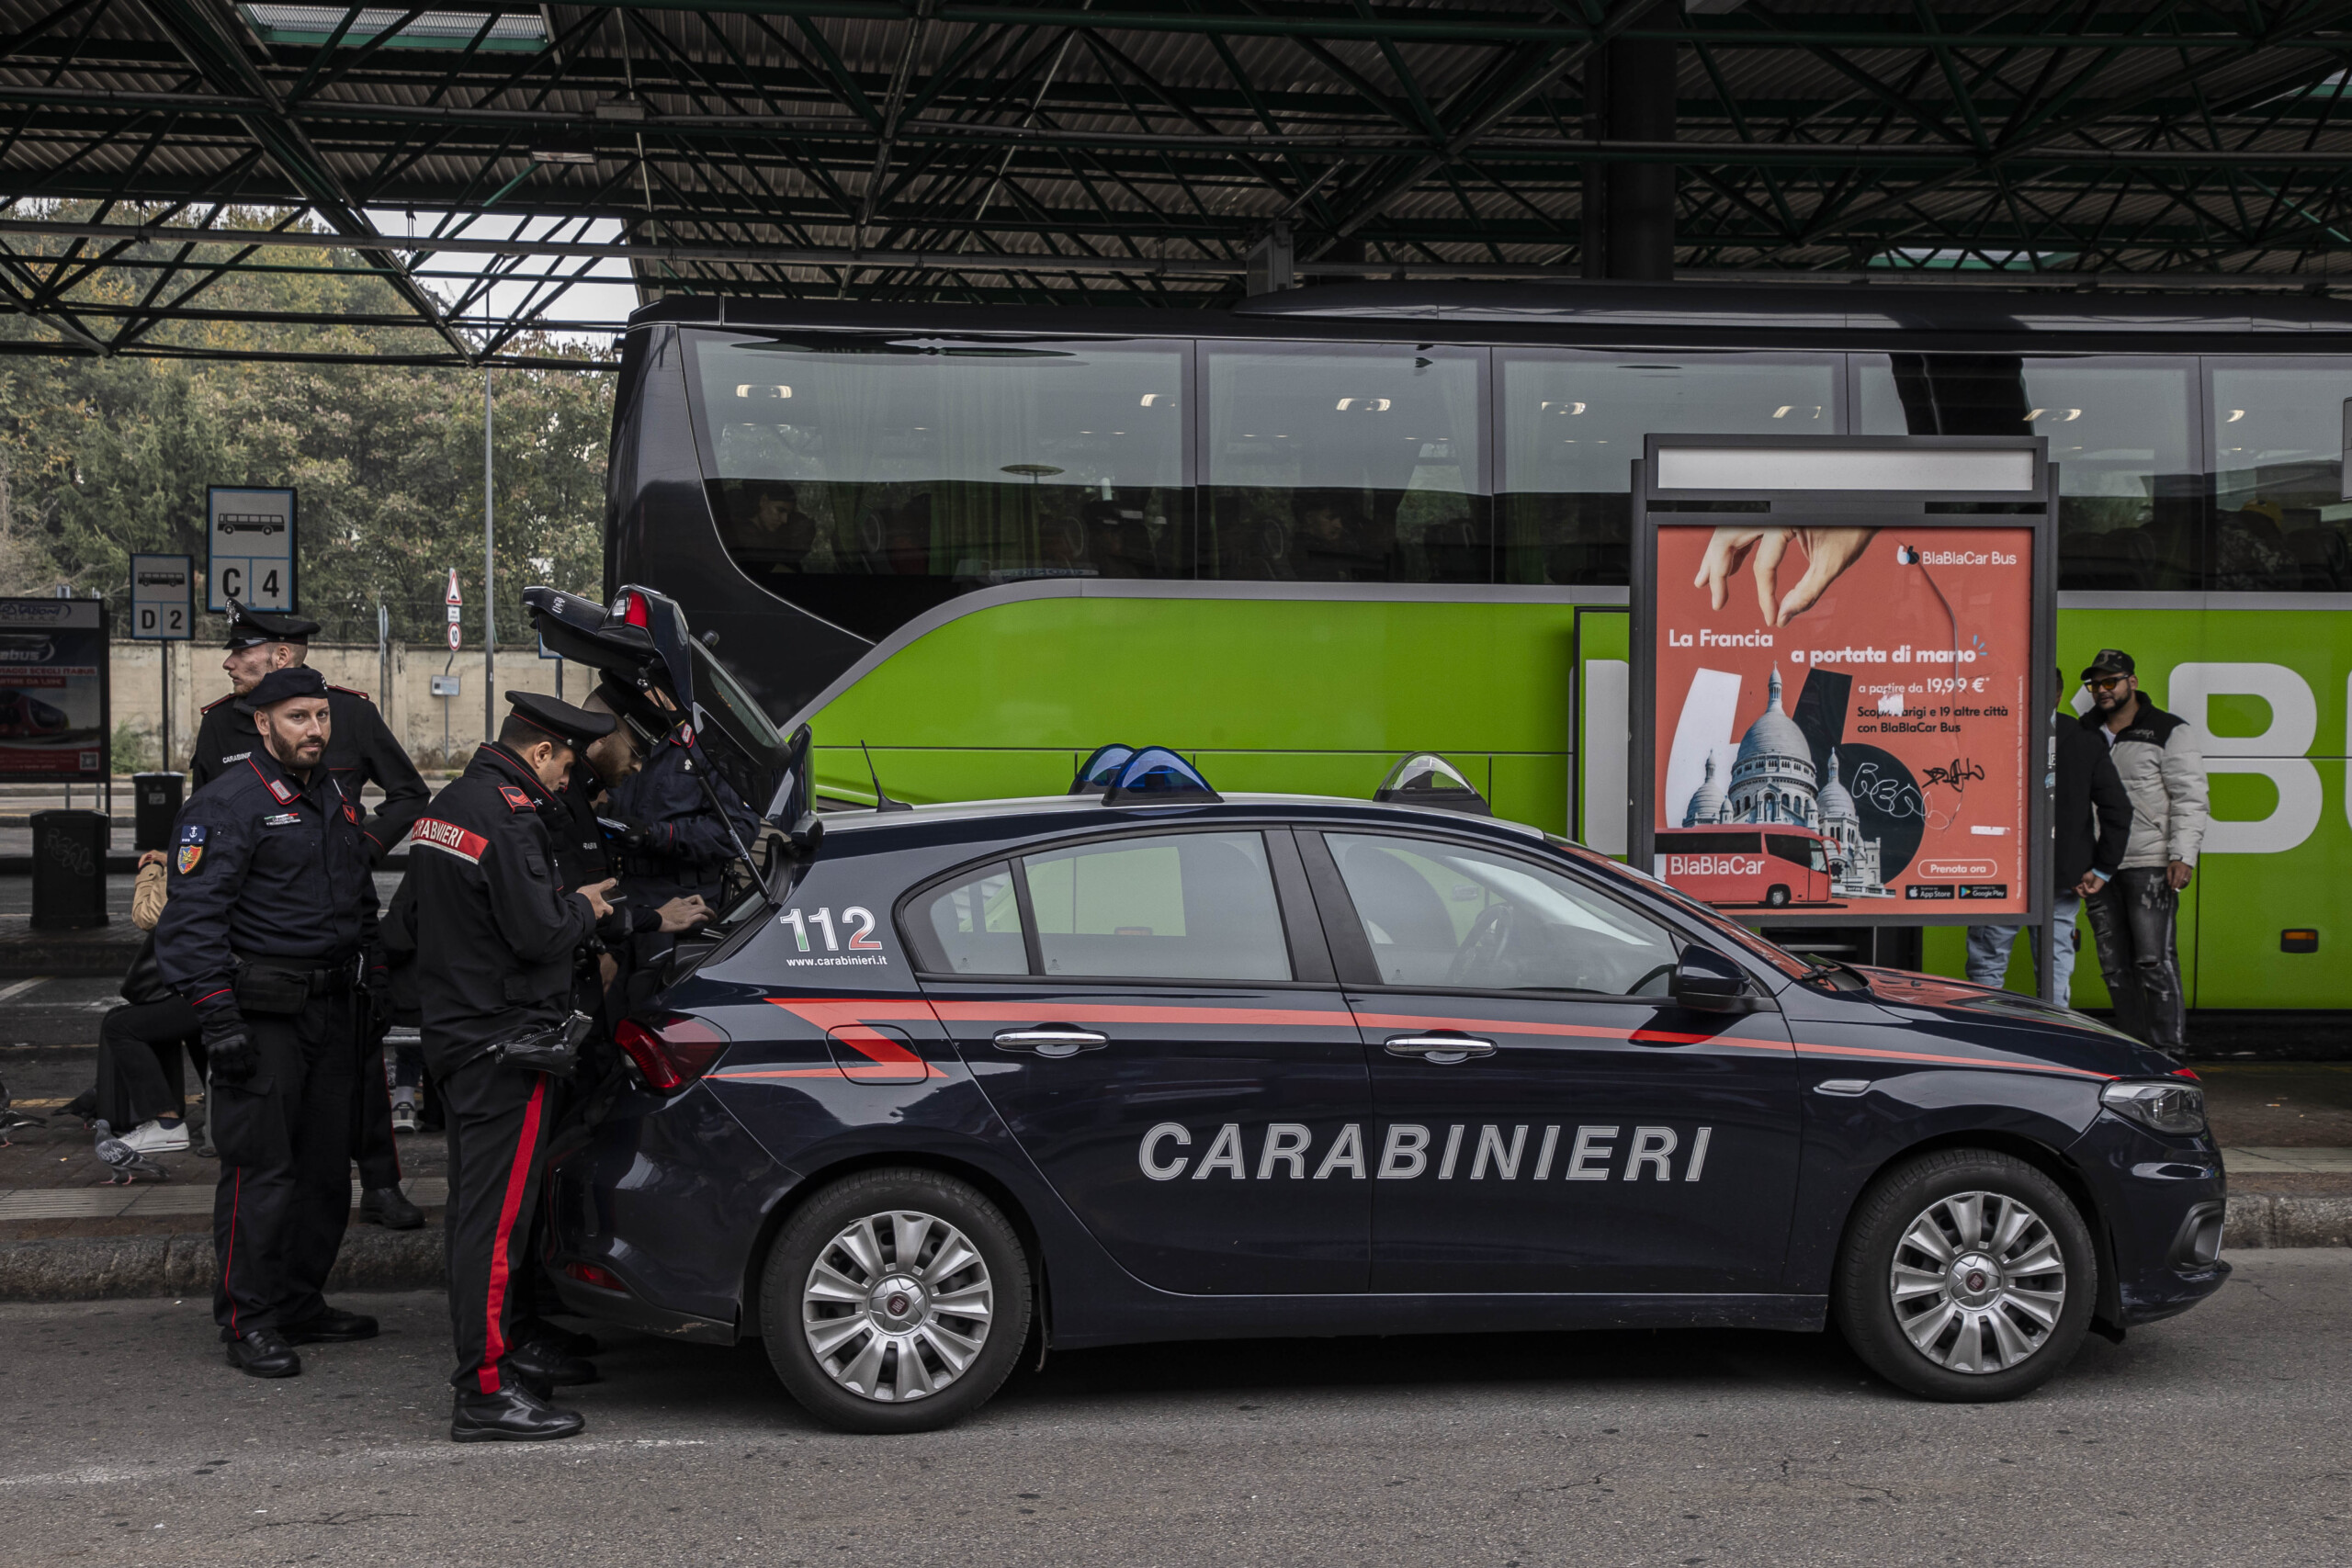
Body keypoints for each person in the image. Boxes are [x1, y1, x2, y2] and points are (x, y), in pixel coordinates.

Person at [152, 667, 382, 1379]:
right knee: (262, 1173)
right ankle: (248, 1319)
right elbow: (191, 925)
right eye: (298, 717)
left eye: (320, 715)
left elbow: (356, 897)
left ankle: (298, 1301)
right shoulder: (225, 804)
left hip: (332, 1008)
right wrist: (217, 1016)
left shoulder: (334, 796)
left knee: (323, 1173)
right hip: (262, 1018)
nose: (315, 729)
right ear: (263, 724)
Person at [409, 692, 620, 1442]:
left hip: (460, 1036)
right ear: (539, 753)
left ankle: (494, 1363)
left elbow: (409, 922)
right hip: (506, 1044)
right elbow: (539, 934)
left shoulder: (450, 804)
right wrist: (587, 908)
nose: (568, 777)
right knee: (494, 1226)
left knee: (474, 1215)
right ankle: (486, 1390)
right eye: (565, 761)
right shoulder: (508, 815)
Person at [187, 598, 429, 1229]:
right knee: (269, 1130)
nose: (229, 661)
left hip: (341, 924)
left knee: (356, 1074)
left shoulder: (348, 712)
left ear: (282, 655)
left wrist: (362, 846)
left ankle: (379, 1181)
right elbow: (204, 830)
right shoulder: (221, 727)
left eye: (242, 650)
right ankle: (259, 1289)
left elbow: (409, 793)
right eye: (298, 717)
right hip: (262, 944)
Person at [1964, 670, 2132, 1003]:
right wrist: (2101, 869)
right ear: (2058, 695)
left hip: (1998, 873)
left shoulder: (1988, 729)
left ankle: (1981, 1045)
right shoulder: (2084, 738)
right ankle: (2058, 1043)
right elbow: (2118, 810)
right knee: (2055, 968)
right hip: (2062, 874)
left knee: (1986, 968)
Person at [2077, 649, 2210, 1058]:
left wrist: (2182, 855)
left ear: (2131, 682)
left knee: (2154, 960)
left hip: (2149, 861)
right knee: (2114, 967)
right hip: (2097, 866)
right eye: (2095, 684)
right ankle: (2135, 1049)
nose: (2102, 690)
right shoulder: (2082, 731)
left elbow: (2191, 798)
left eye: (2110, 681)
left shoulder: (2168, 730)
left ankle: (2169, 1051)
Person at [65, 851, 206, 1152]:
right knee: (197, 1028)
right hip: (229, 979)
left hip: (210, 984)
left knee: (121, 1026)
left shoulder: (194, 856)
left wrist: (153, 870)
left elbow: (149, 916)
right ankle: (221, 1110)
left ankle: (166, 1123)